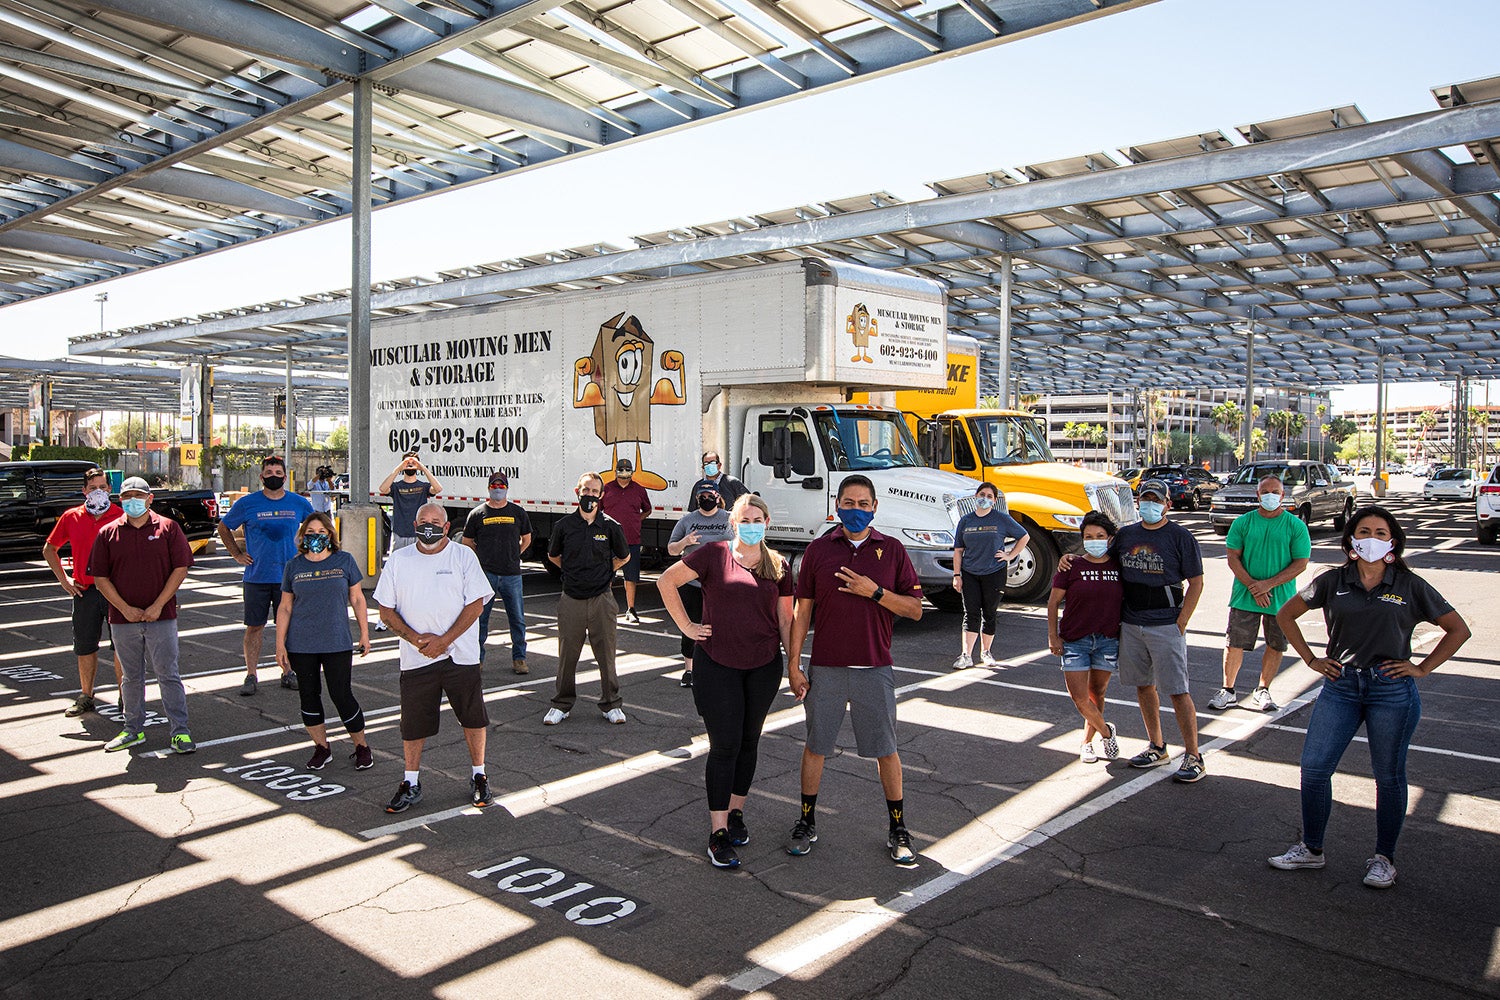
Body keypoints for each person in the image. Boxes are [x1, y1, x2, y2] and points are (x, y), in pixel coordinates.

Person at [1270, 506, 1470, 889]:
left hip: (1390, 690)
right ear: (1351, 542)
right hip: (1341, 686)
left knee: (1388, 777)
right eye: (1365, 531)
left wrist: (1422, 668)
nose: (1373, 539)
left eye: (1381, 533)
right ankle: (1311, 850)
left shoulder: (1409, 585)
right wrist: (1311, 658)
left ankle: (1384, 858)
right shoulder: (1332, 581)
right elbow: (1285, 615)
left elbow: (1457, 629)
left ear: (1393, 543)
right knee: (1314, 770)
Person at [784, 475, 924, 866]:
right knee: (816, 747)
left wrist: (874, 591)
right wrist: (793, 666)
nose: (856, 510)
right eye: (849, 502)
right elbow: (802, 611)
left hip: (874, 668)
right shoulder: (818, 551)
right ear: (837, 504)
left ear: (875, 507)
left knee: (887, 751)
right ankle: (806, 821)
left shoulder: (892, 550)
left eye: (864, 504)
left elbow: (914, 610)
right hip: (826, 669)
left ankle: (898, 827)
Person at [659, 494, 794, 869]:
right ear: (733, 523)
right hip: (717, 665)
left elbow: (786, 621)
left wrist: (795, 664)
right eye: (744, 518)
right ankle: (717, 832)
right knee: (724, 746)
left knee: (749, 742)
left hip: (764, 666)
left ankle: (736, 813)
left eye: (758, 518)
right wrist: (687, 626)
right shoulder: (713, 554)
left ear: (767, 522)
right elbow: (667, 582)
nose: (751, 523)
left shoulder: (778, 565)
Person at [372, 502, 495, 814]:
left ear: (445, 527)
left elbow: (476, 605)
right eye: (423, 521)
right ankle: (410, 782)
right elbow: (386, 610)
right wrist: (416, 639)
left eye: (435, 522)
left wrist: (445, 641)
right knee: (413, 725)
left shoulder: (463, 556)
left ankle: (479, 775)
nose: (429, 526)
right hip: (417, 659)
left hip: (460, 657)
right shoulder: (399, 560)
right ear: (414, 526)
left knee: (472, 717)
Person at [87, 477, 195, 754]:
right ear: (119, 500)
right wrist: (124, 608)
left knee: (168, 675)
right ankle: (132, 729)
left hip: (162, 617)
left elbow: (180, 568)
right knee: (131, 677)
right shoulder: (108, 532)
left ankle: (180, 732)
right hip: (123, 621)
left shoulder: (168, 528)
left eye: (137, 496)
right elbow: (100, 577)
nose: (131, 501)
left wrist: (158, 605)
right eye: (126, 496)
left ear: (149, 499)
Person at [1114, 478, 1206, 782]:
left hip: (1166, 623)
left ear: (1168, 504)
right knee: (1144, 686)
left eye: (1157, 499)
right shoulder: (1126, 535)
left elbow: (1196, 582)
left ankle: (1194, 755)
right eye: (1145, 498)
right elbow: (1105, 564)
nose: (1150, 504)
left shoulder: (1180, 537)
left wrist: (1182, 621)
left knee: (1177, 691)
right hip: (1132, 621)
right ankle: (1157, 746)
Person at [275, 512, 373, 771]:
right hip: (301, 643)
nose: (315, 537)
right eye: (309, 533)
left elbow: (357, 599)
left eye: (320, 532)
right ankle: (322, 747)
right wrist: (280, 644)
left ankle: (361, 746)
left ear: (330, 534)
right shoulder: (294, 566)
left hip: (336, 641)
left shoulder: (344, 561)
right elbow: (285, 607)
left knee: (341, 695)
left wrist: (364, 633)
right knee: (309, 696)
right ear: (302, 537)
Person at [1208, 476, 1310, 713]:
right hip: (1245, 596)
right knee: (1235, 643)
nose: (1270, 496)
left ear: (1283, 496)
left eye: (1275, 491)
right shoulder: (1243, 523)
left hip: (1280, 599)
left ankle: (1263, 689)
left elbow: (1300, 563)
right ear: (1258, 495)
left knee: (1276, 645)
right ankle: (1228, 690)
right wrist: (1254, 586)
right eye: (1265, 491)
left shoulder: (1295, 526)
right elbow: (1233, 557)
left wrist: (1268, 585)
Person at [217, 455, 313, 696]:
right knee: (254, 627)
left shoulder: (298, 503)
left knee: (289, 628)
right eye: (268, 473)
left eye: (277, 473)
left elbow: (316, 527)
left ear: (285, 476)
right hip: (257, 577)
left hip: (288, 579)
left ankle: (288, 671)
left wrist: (308, 555)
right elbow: (223, 527)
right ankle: (251, 674)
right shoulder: (247, 504)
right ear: (261, 477)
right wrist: (236, 554)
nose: (273, 477)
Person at [545, 472, 630, 726]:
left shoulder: (611, 526)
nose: (590, 496)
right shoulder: (563, 526)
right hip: (571, 598)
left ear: (601, 496)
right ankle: (562, 704)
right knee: (567, 655)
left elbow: (623, 556)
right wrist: (572, 572)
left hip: (602, 598)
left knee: (606, 654)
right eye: (586, 491)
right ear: (577, 492)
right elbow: (553, 556)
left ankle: (611, 704)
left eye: (595, 492)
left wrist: (605, 571)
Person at [42, 466, 123, 718]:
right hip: (84, 591)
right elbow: (49, 549)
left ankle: (125, 697)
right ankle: (86, 696)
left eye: (102, 487)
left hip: (115, 591)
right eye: (92, 488)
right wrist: (64, 580)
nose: (98, 492)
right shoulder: (71, 517)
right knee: (85, 647)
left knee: (121, 646)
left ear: (109, 489)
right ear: (84, 491)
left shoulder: (121, 516)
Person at [1047, 512, 1123, 763]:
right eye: (1089, 536)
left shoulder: (1118, 565)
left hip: (1107, 639)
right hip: (1075, 640)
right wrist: (1053, 636)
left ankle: (1087, 743)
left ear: (1110, 538)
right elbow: (1053, 602)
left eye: (1100, 536)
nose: (1094, 540)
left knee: (1097, 694)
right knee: (1080, 698)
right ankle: (1107, 731)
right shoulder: (1072, 565)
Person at [950, 482, 1029, 669]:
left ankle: (986, 652)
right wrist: (956, 574)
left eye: (989, 496)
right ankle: (966, 655)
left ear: (994, 501)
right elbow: (958, 550)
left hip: (994, 572)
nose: (984, 499)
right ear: (976, 496)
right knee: (970, 613)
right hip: (970, 572)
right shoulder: (966, 521)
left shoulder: (1001, 519)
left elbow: (1024, 536)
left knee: (990, 613)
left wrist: (1010, 555)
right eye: (982, 494)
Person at [461, 471, 532, 674]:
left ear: (507, 488)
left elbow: (526, 538)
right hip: (486, 575)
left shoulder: (518, 512)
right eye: (494, 486)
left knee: (517, 619)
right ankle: (477, 658)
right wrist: (481, 560)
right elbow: (467, 542)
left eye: (501, 486)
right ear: (489, 488)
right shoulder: (477, 514)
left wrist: (513, 553)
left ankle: (519, 659)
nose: (498, 489)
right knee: (480, 618)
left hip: (512, 574)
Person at [665, 483, 732, 688]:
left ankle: (722, 668)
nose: (705, 498)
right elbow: (671, 549)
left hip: (722, 584)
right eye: (701, 495)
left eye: (709, 494)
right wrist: (685, 541)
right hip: (692, 584)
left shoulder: (730, 518)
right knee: (691, 626)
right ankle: (689, 670)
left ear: (717, 496)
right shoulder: (687, 520)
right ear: (696, 498)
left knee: (722, 627)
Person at [601, 457, 653, 623]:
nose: (624, 473)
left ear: (632, 472)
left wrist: (637, 520)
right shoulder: (607, 488)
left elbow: (647, 509)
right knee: (607, 574)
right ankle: (605, 608)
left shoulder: (638, 489)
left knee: (631, 577)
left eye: (627, 470)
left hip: (631, 539)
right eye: (621, 470)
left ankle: (631, 609)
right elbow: (598, 511)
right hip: (609, 540)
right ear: (616, 471)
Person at [378, 450, 443, 554]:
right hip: (400, 533)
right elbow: (383, 489)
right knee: (399, 563)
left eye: (413, 464)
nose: (410, 465)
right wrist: (398, 468)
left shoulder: (423, 486)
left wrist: (423, 468)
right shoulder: (397, 487)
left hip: (419, 533)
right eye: (407, 464)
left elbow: (438, 488)